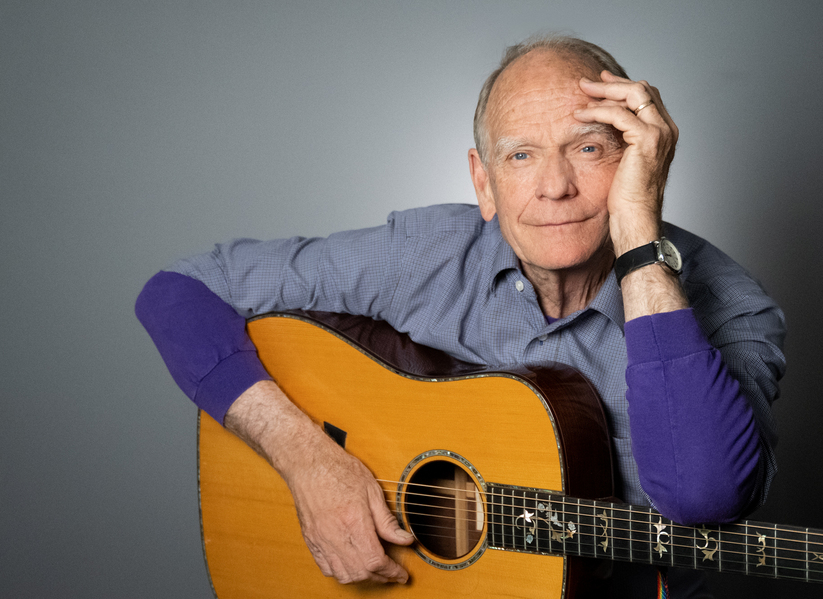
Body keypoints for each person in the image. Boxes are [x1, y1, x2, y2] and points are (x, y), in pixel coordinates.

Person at [136, 34, 786, 596]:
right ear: (483, 182)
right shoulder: (423, 254)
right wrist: (307, 458)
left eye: (588, 149)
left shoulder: (730, 303)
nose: (554, 185)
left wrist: (640, 238)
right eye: (521, 155)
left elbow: (706, 498)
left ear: (639, 157)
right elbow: (176, 294)